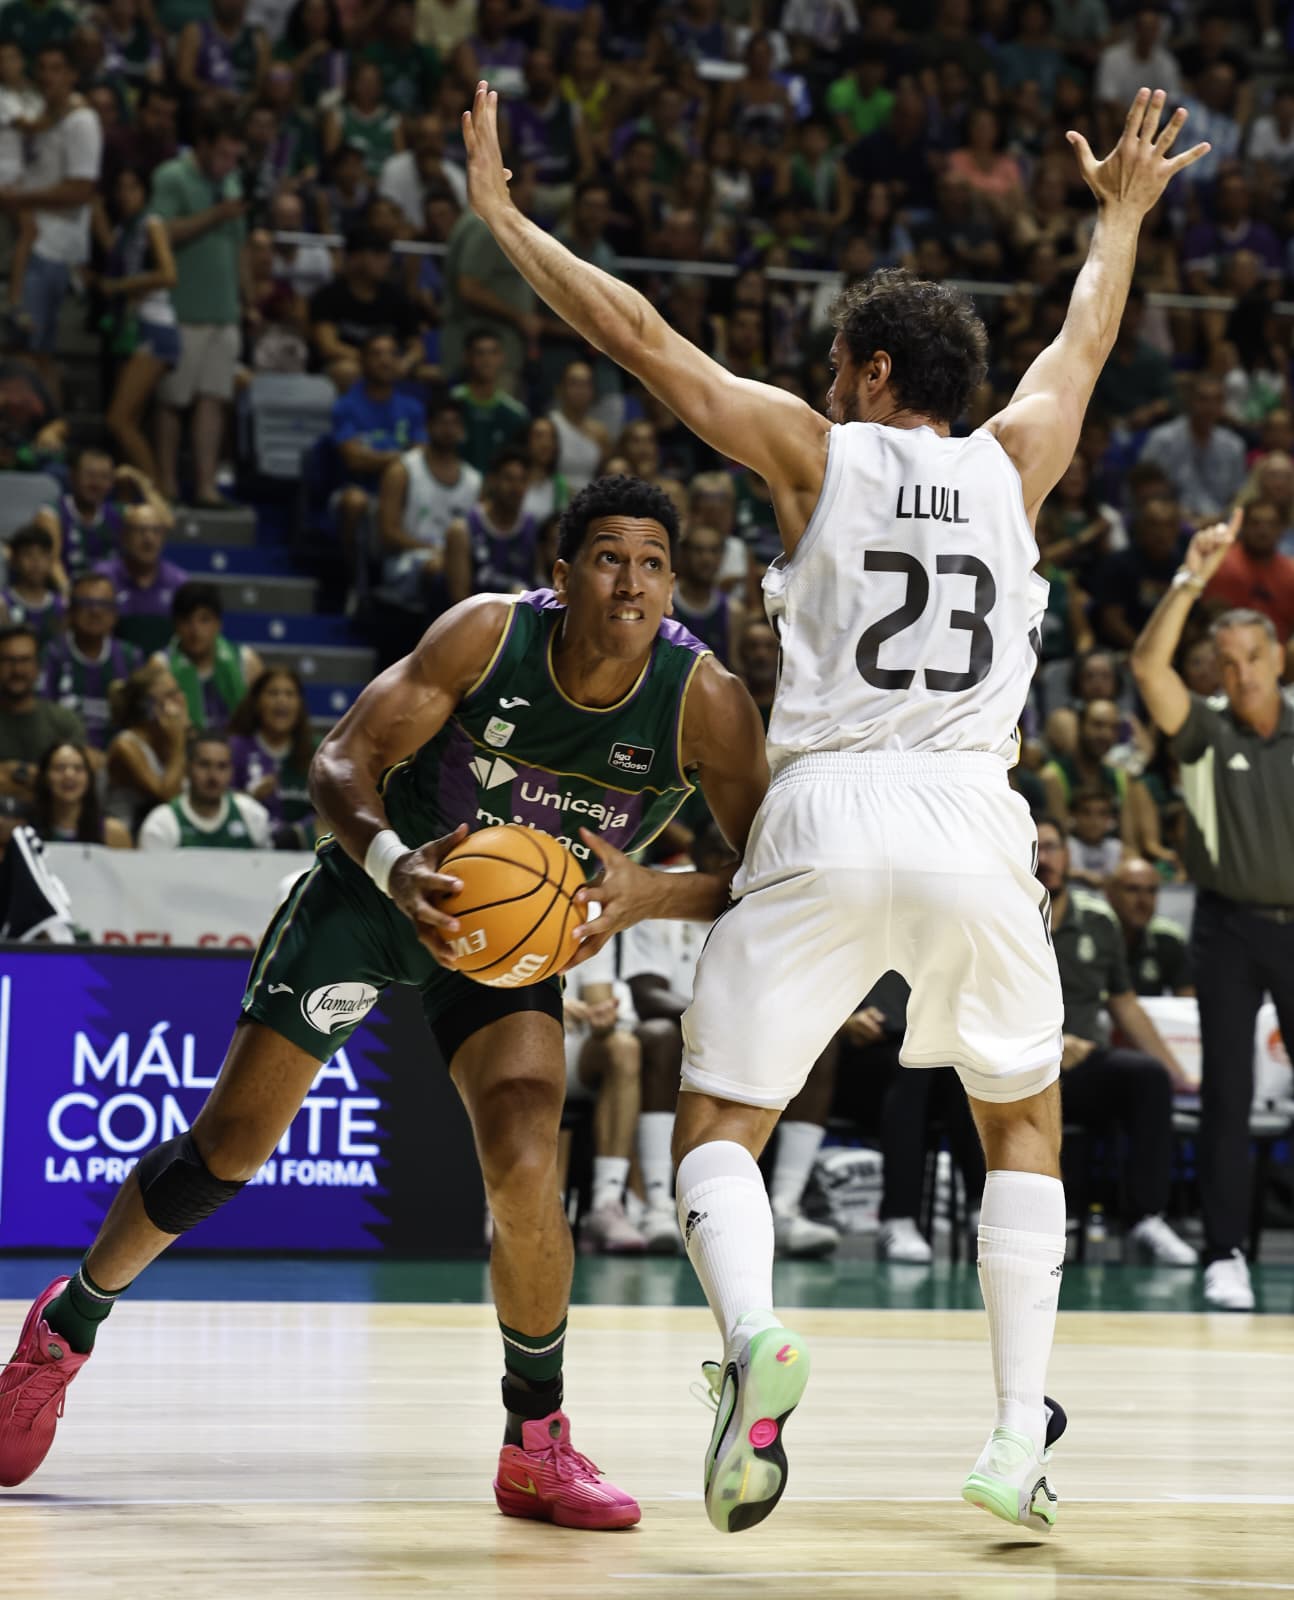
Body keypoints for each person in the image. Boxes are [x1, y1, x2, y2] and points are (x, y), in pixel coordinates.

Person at [459, 80, 1208, 1532]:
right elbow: (1083, 337)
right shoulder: (1016, 459)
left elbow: (641, 336)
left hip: (826, 805)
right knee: (1024, 1129)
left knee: (717, 1129)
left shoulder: (814, 447)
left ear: (863, 372)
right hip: (978, 821)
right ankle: (1008, 1435)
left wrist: (507, 220)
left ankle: (751, 1345)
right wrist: (1116, 215)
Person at [0, 473, 771, 1531]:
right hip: (380, 894)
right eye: (606, 557)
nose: (628, 581)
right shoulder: (484, 636)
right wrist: (395, 862)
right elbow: (339, 759)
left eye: (650, 562)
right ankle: (63, 1327)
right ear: (562, 574)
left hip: (510, 944)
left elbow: (776, 865)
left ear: (675, 582)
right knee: (226, 1147)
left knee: (529, 1154)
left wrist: (647, 894)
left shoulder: (705, 702)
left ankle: (534, 1441)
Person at [1131, 516, 1294, 1312]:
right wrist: (1189, 581)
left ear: (1279, 659)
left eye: (1253, 659)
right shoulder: (1202, 731)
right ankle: (1225, 1253)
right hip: (1227, 926)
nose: (1241, 674)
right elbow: (1145, 665)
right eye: (1226, 663)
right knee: (1227, 1093)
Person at [149, 108, 247, 509]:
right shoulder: (171, 177)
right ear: (202, 145)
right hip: (181, 308)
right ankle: (167, 484)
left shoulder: (233, 181)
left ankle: (206, 485)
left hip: (224, 310)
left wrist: (248, 298)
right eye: (222, 155)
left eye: (234, 157)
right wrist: (215, 214)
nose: (228, 164)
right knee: (173, 400)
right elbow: (161, 232)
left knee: (213, 399)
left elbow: (237, 245)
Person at [0, 43, 101, 404]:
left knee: (26, 356)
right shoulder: (47, 115)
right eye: (42, 67)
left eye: (57, 68)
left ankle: (41, 441)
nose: (47, 76)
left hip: (50, 249)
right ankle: (48, 438)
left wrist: (17, 199)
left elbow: (80, 189)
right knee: (34, 357)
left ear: (72, 75)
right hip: (31, 242)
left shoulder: (82, 121)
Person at [95, 165, 179, 485]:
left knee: (118, 420)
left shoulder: (150, 224)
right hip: (130, 328)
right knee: (131, 419)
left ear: (144, 193)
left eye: (133, 188)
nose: (125, 195)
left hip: (154, 326)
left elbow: (169, 275)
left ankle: (156, 492)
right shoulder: (122, 231)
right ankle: (136, 493)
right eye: (121, 188)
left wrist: (118, 287)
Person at [562, 936, 647, 1254]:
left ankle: (606, 1202)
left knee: (623, 1048)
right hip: (518, 1038)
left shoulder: (588, 914)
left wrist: (601, 1018)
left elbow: (599, 1001)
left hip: (572, 1049)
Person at [377, 392, 481, 609]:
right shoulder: (403, 470)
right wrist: (435, 550)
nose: (448, 429)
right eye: (442, 422)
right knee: (441, 568)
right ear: (428, 426)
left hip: (454, 561)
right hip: (406, 561)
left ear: (462, 430)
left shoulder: (474, 480)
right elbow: (387, 534)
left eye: (454, 423)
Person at [41, 571, 140, 751]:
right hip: (62, 760)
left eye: (104, 604)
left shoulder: (130, 657)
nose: (96, 611)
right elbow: (41, 717)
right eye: (86, 603)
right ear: (70, 611)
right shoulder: (52, 654)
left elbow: (140, 723)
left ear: (115, 613)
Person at [157, 580, 264, 732]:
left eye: (204, 620)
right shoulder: (161, 665)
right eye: (187, 620)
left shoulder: (247, 661)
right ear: (176, 624)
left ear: (218, 624)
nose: (195, 630)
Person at [227, 667, 315, 848]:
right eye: (273, 693)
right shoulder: (235, 748)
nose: (281, 700)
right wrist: (250, 797)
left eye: (289, 694)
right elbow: (217, 801)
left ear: (300, 704)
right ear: (257, 702)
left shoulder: (317, 752)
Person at [137, 731, 273, 850]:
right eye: (204, 765)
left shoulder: (252, 815)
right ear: (187, 769)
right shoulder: (162, 824)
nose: (213, 776)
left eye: (222, 766)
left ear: (231, 772)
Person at [0, 622, 84, 801]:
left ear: (37, 666)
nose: (17, 670)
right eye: (8, 660)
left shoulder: (64, 721)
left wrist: (15, 773)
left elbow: (79, 780)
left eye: (25, 660)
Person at [444, 447, 539, 602]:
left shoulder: (531, 527)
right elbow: (459, 600)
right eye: (509, 479)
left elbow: (537, 584)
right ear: (492, 480)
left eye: (522, 480)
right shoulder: (462, 530)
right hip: (475, 620)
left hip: (517, 620)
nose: (516, 487)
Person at [103, 659, 189, 831]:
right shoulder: (126, 745)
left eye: (178, 690)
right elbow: (167, 799)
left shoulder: (170, 738)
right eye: (170, 695)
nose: (182, 698)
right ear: (147, 708)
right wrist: (178, 741)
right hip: (126, 839)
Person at [94, 500, 187, 654]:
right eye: (140, 530)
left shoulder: (179, 582)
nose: (149, 539)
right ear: (124, 536)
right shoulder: (102, 578)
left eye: (156, 531)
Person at [1105, 857, 1193, 998]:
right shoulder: (1092, 935)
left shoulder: (1168, 938)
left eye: (1151, 891)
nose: (1143, 901)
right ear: (1110, 894)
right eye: (1132, 889)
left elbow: (1188, 1002)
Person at [670, 522, 744, 670]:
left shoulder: (733, 611)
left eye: (714, 551)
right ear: (683, 554)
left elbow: (735, 669)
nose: (706, 559)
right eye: (698, 550)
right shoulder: (664, 603)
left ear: (722, 557)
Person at [30, 740, 132, 847]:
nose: (69, 775)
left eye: (78, 768)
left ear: (89, 778)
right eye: (59, 768)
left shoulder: (114, 833)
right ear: (44, 777)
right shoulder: (25, 831)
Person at [0, 523, 64, 649]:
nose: (36, 561)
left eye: (42, 554)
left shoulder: (62, 605)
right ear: (14, 560)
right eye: (27, 554)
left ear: (51, 561)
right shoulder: (3, 604)